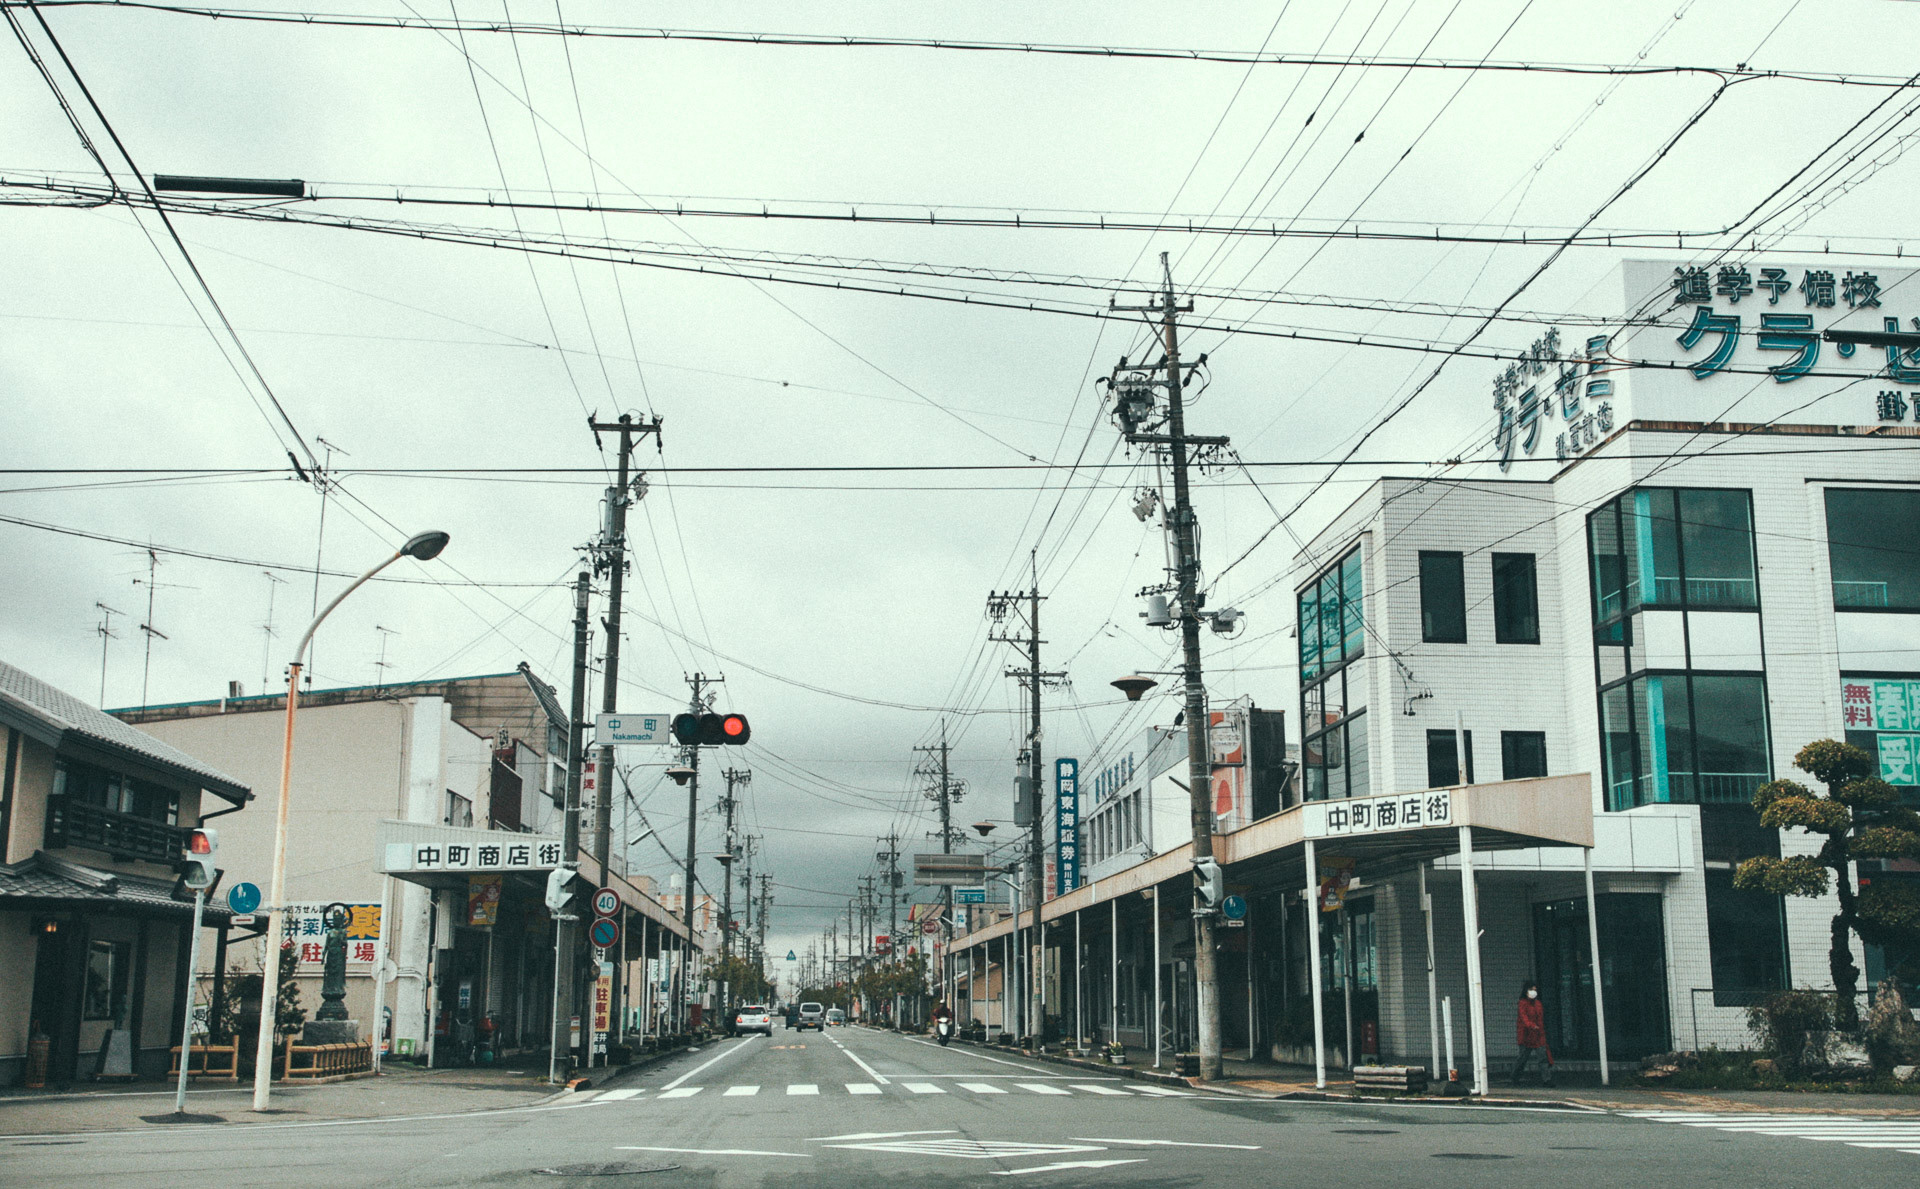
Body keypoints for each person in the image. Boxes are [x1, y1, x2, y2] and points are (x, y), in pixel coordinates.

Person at [1513, 980, 1553, 1087]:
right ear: (1526, 991)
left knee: (1543, 1058)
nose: (1533, 992)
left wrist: (1540, 1031)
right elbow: (1523, 1018)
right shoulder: (1522, 1003)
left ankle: (1547, 1080)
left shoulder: (1538, 1004)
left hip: (1538, 1035)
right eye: (1531, 989)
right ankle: (1515, 1077)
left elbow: (1540, 1019)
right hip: (1526, 1035)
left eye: (1535, 990)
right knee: (1522, 1059)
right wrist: (1531, 1025)